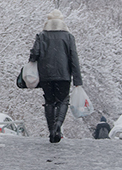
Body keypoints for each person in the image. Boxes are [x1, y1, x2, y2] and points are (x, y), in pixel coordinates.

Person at [28, 9, 83, 143]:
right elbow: (73, 58)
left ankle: (51, 130)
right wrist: (77, 80)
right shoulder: (68, 37)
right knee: (63, 100)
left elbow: (34, 54)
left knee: (49, 102)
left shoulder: (42, 36)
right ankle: (58, 124)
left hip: (46, 75)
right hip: (63, 75)